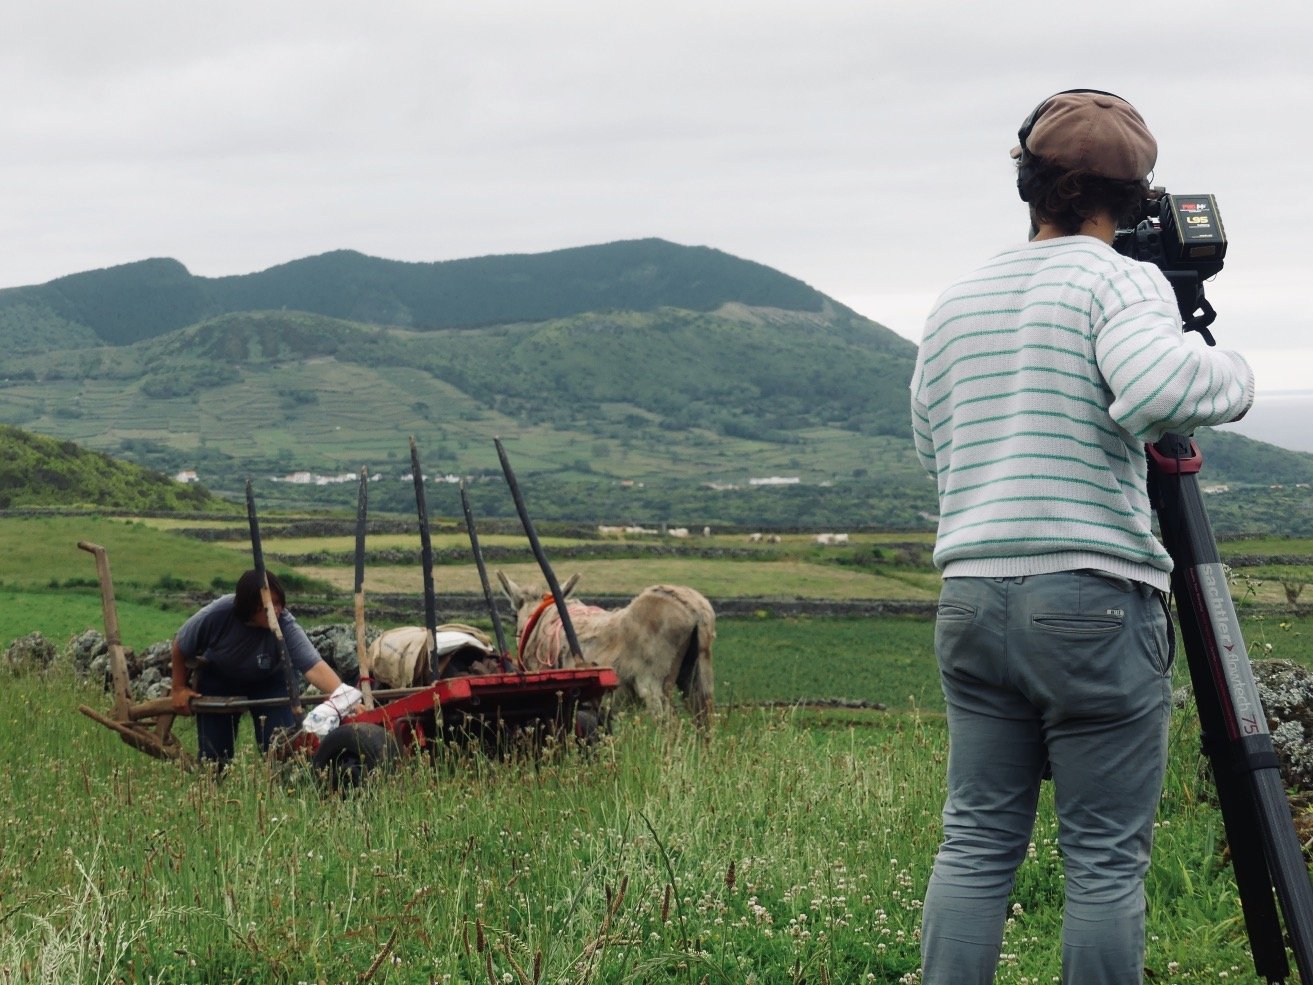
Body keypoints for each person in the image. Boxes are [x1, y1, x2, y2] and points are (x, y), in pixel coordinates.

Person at [910, 89, 1254, 984]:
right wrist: (1230, 365)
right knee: (1102, 856)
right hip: (1089, 599)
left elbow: (929, 441)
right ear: (1136, 198)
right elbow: (1157, 390)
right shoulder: (1117, 278)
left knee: (977, 838)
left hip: (971, 594)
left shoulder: (957, 297)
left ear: (1027, 185)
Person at [170, 569, 350, 766]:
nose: (276, 610)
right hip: (219, 679)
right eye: (268, 605)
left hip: (268, 681)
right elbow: (181, 645)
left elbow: (313, 666)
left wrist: (346, 698)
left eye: (279, 603)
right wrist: (178, 688)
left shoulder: (284, 623)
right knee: (214, 759)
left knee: (281, 750)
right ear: (248, 606)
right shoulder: (218, 613)